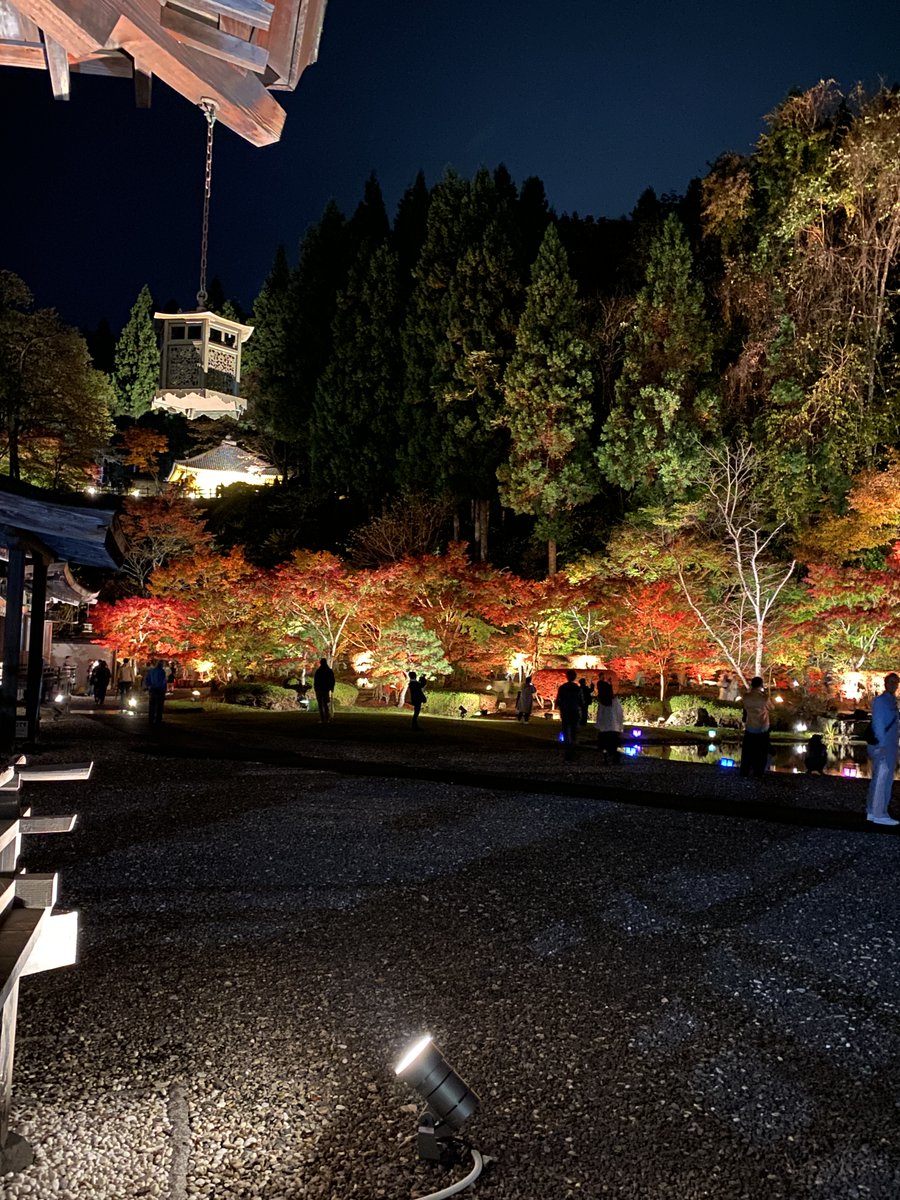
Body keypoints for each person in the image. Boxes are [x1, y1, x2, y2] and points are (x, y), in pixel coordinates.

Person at [866, 672, 900, 825]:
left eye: (896, 682)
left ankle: (873, 812)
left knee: (880, 778)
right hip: (884, 745)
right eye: (891, 682)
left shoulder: (892, 701)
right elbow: (878, 724)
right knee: (883, 780)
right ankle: (880, 813)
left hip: (889, 744)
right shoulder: (881, 701)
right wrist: (881, 744)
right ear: (885, 683)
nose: (894, 685)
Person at [740, 676, 770, 779]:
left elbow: (744, 707)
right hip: (762, 727)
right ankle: (759, 772)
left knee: (748, 751)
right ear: (761, 685)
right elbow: (772, 707)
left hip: (750, 726)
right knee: (761, 751)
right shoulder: (764, 698)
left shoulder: (746, 697)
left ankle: (745, 771)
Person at [555, 669, 583, 762]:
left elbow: (557, 700)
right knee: (574, 732)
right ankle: (573, 751)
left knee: (566, 731)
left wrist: (562, 705)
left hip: (565, 711)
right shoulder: (577, 688)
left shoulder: (562, 688)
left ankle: (567, 751)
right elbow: (581, 701)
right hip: (574, 711)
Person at [594, 680, 624, 765]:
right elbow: (619, 715)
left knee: (604, 746)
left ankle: (605, 759)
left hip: (604, 728)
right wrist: (620, 727)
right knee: (613, 745)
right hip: (613, 727)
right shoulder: (615, 701)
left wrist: (598, 726)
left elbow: (600, 715)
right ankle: (615, 758)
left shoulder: (602, 702)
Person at [143, 659, 168, 726]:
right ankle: (158, 720)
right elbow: (163, 681)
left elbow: (147, 679)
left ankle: (151, 719)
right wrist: (164, 690)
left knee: (152, 705)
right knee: (159, 706)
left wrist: (149, 686)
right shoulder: (162, 672)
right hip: (159, 690)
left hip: (152, 689)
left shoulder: (151, 671)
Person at [313, 657, 336, 724]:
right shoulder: (329, 671)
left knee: (320, 704)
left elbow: (316, 680)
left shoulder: (319, 671)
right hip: (326, 689)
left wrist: (316, 688)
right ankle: (327, 718)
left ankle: (323, 719)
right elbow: (332, 680)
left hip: (320, 689)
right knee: (326, 704)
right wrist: (331, 688)